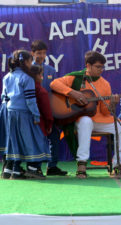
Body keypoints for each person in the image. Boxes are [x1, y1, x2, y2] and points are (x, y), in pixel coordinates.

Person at [50, 51, 121, 179]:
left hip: (99, 120)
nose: (101, 70)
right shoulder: (76, 77)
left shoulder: (105, 84)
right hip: (79, 119)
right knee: (86, 121)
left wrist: (113, 104)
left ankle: (118, 164)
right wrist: (72, 93)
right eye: (98, 67)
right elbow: (54, 84)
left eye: (102, 67)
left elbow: (105, 111)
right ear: (88, 65)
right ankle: (82, 163)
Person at [3, 50, 51, 179]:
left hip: (10, 113)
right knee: (33, 140)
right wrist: (36, 115)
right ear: (24, 62)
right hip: (24, 114)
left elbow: (5, 98)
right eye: (30, 61)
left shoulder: (7, 76)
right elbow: (30, 100)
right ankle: (32, 168)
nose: (31, 63)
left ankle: (13, 170)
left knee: (14, 141)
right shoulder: (27, 78)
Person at [31, 40, 67, 176]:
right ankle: (35, 167)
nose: (41, 55)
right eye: (38, 53)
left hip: (48, 110)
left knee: (54, 137)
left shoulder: (51, 70)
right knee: (38, 138)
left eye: (44, 53)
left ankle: (52, 166)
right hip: (33, 110)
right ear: (32, 53)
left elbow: (55, 90)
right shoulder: (28, 70)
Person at [30, 65, 54, 137]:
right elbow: (47, 112)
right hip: (39, 125)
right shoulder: (41, 91)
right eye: (40, 74)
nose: (42, 77)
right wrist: (49, 125)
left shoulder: (22, 88)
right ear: (35, 75)